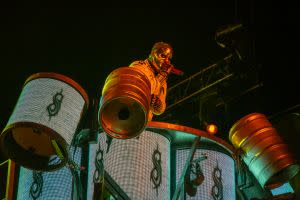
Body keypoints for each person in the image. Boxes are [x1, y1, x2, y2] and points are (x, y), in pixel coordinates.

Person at [129, 41, 175, 122]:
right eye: (163, 56)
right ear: (154, 54)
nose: (167, 61)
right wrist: (162, 76)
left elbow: (160, 110)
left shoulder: (163, 81)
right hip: (128, 114)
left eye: (169, 58)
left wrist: (158, 105)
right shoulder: (139, 66)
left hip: (143, 122)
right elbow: (143, 90)